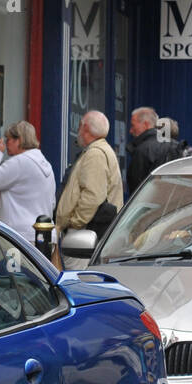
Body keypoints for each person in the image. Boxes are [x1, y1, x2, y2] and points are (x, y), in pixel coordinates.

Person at [57, 110, 123, 270]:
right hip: (90, 233)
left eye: (80, 126)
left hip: (84, 235)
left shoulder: (95, 154)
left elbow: (93, 196)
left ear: (85, 128)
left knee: (77, 282)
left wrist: (75, 223)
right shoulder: (101, 150)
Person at [0, 120, 56, 243]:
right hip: (44, 234)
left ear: (19, 140)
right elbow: (52, 203)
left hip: (21, 237)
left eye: (8, 140)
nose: (5, 144)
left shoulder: (20, 162)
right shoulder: (46, 164)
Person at [125, 106, 178, 195]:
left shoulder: (142, 151)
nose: (130, 130)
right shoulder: (176, 147)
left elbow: (136, 192)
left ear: (145, 124)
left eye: (133, 125)